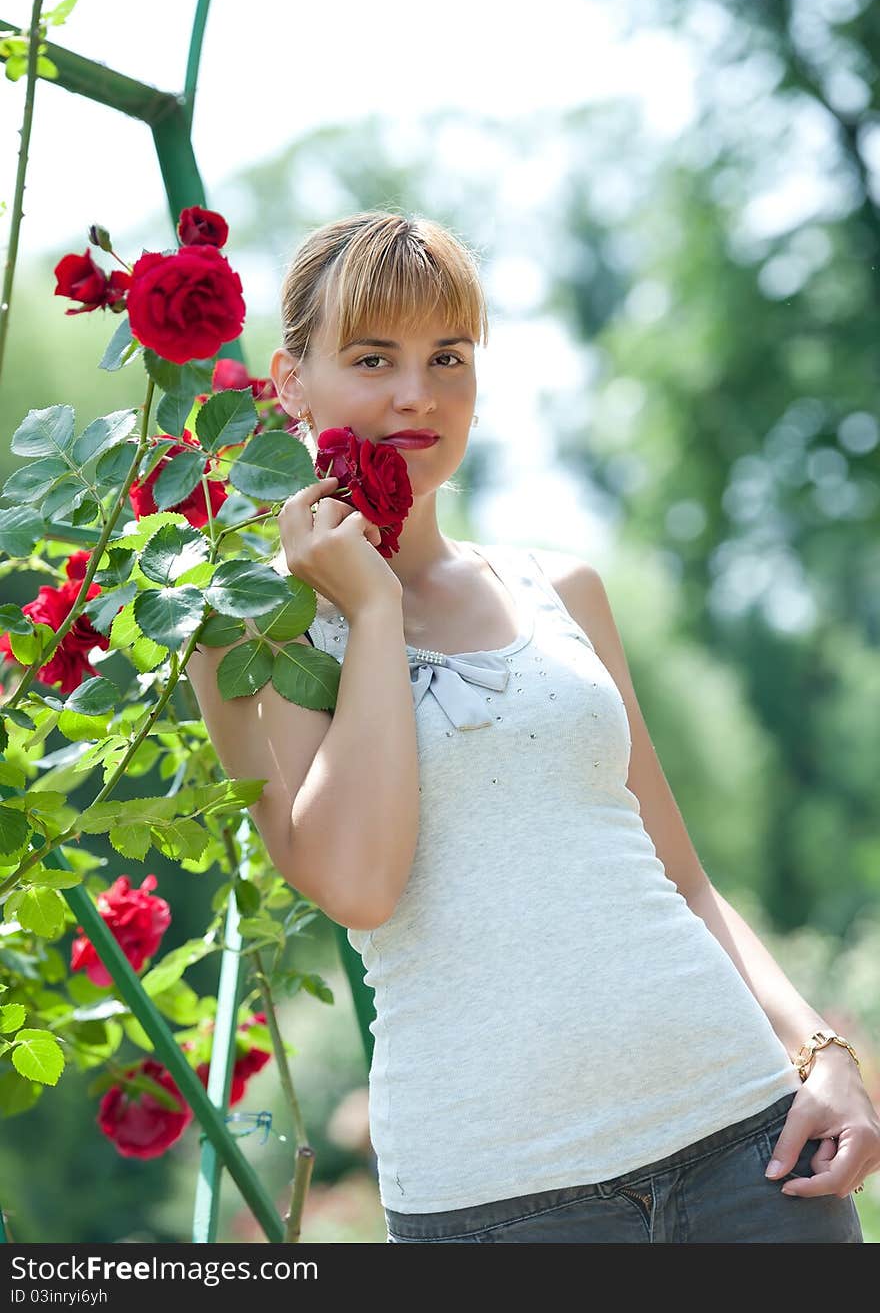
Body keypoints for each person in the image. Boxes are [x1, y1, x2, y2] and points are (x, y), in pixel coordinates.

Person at [187, 211, 878, 1242]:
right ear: (290, 383)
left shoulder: (562, 588)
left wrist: (824, 1054)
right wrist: (370, 611)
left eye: (447, 357)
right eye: (373, 358)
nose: (416, 393)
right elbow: (356, 883)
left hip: (747, 1151)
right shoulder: (251, 636)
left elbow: (680, 878)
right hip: (499, 1208)